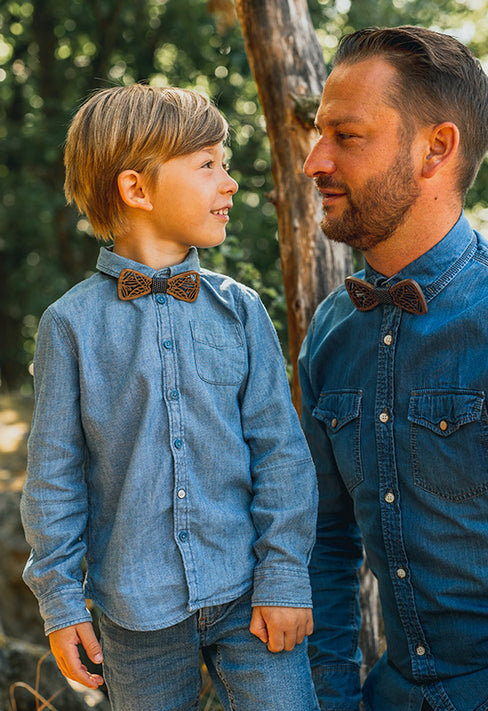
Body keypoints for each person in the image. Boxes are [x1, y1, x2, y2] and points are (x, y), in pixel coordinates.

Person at [20, 84, 320, 711]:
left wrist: (286, 578)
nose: (230, 182)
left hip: (250, 595)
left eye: (226, 164)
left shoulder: (240, 312)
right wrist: (59, 603)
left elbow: (281, 456)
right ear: (137, 189)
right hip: (134, 610)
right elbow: (53, 478)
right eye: (208, 164)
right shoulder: (69, 326)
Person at [298, 25, 488, 711]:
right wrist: (333, 700)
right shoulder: (330, 333)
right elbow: (321, 547)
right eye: (319, 133)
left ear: (435, 148)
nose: (314, 160)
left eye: (347, 135)